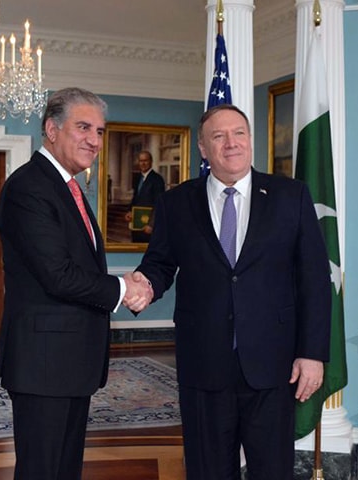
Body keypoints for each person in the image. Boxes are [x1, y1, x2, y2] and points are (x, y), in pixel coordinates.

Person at [134, 104, 331, 480]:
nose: (231, 143)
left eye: (239, 133)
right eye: (219, 136)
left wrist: (312, 353)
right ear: (203, 150)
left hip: (274, 365)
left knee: (272, 472)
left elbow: (314, 279)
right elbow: (159, 263)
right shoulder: (176, 202)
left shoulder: (291, 196)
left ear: (250, 140)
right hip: (204, 362)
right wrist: (144, 285)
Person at [0, 87, 152, 480]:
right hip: (43, 365)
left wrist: (125, 281)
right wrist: (122, 288)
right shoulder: (29, 187)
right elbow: (57, 274)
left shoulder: (69, 187)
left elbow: (78, 265)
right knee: (42, 471)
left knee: (65, 470)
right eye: (83, 128)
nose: (95, 141)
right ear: (51, 128)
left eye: (99, 131)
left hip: (69, 362)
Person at [124, 150, 165, 242]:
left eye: (145, 161)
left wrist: (151, 224)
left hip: (148, 227)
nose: (143, 163)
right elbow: (135, 198)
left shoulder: (157, 179)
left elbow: (158, 204)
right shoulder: (137, 178)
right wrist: (129, 211)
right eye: (141, 161)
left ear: (151, 161)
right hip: (136, 224)